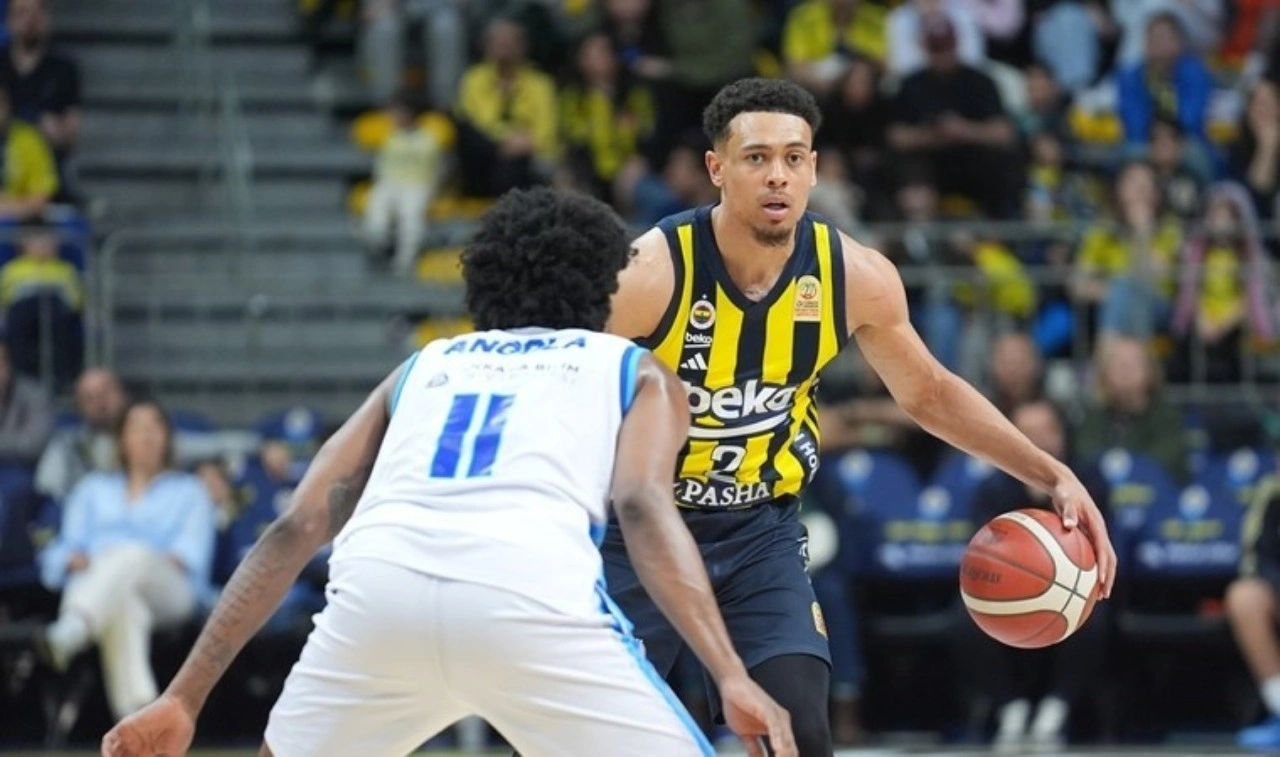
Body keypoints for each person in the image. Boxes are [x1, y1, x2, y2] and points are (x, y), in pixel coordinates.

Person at [100, 188, 796, 757]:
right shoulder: (633, 367)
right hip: (527, 596)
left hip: (378, 599)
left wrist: (183, 697)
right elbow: (641, 504)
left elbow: (295, 526)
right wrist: (730, 673)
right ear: (605, 285)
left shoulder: (423, 365)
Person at [607, 77, 1117, 756]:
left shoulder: (851, 273)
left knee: (798, 733)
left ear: (814, 169)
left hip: (758, 533)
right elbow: (556, 383)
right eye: (756, 157)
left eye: (794, 157)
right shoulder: (649, 272)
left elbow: (928, 394)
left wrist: (1052, 473)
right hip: (639, 534)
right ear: (717, 167)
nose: (777, 175)